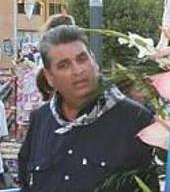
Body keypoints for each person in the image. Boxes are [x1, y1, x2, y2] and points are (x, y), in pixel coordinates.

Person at [18, 24, 155, 191]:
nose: (78, 70)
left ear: (94, 61)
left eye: (82, 59)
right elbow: (26, 181)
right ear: (49, 77)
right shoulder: (41, 119)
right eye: (64, 65)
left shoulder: (135, 119)